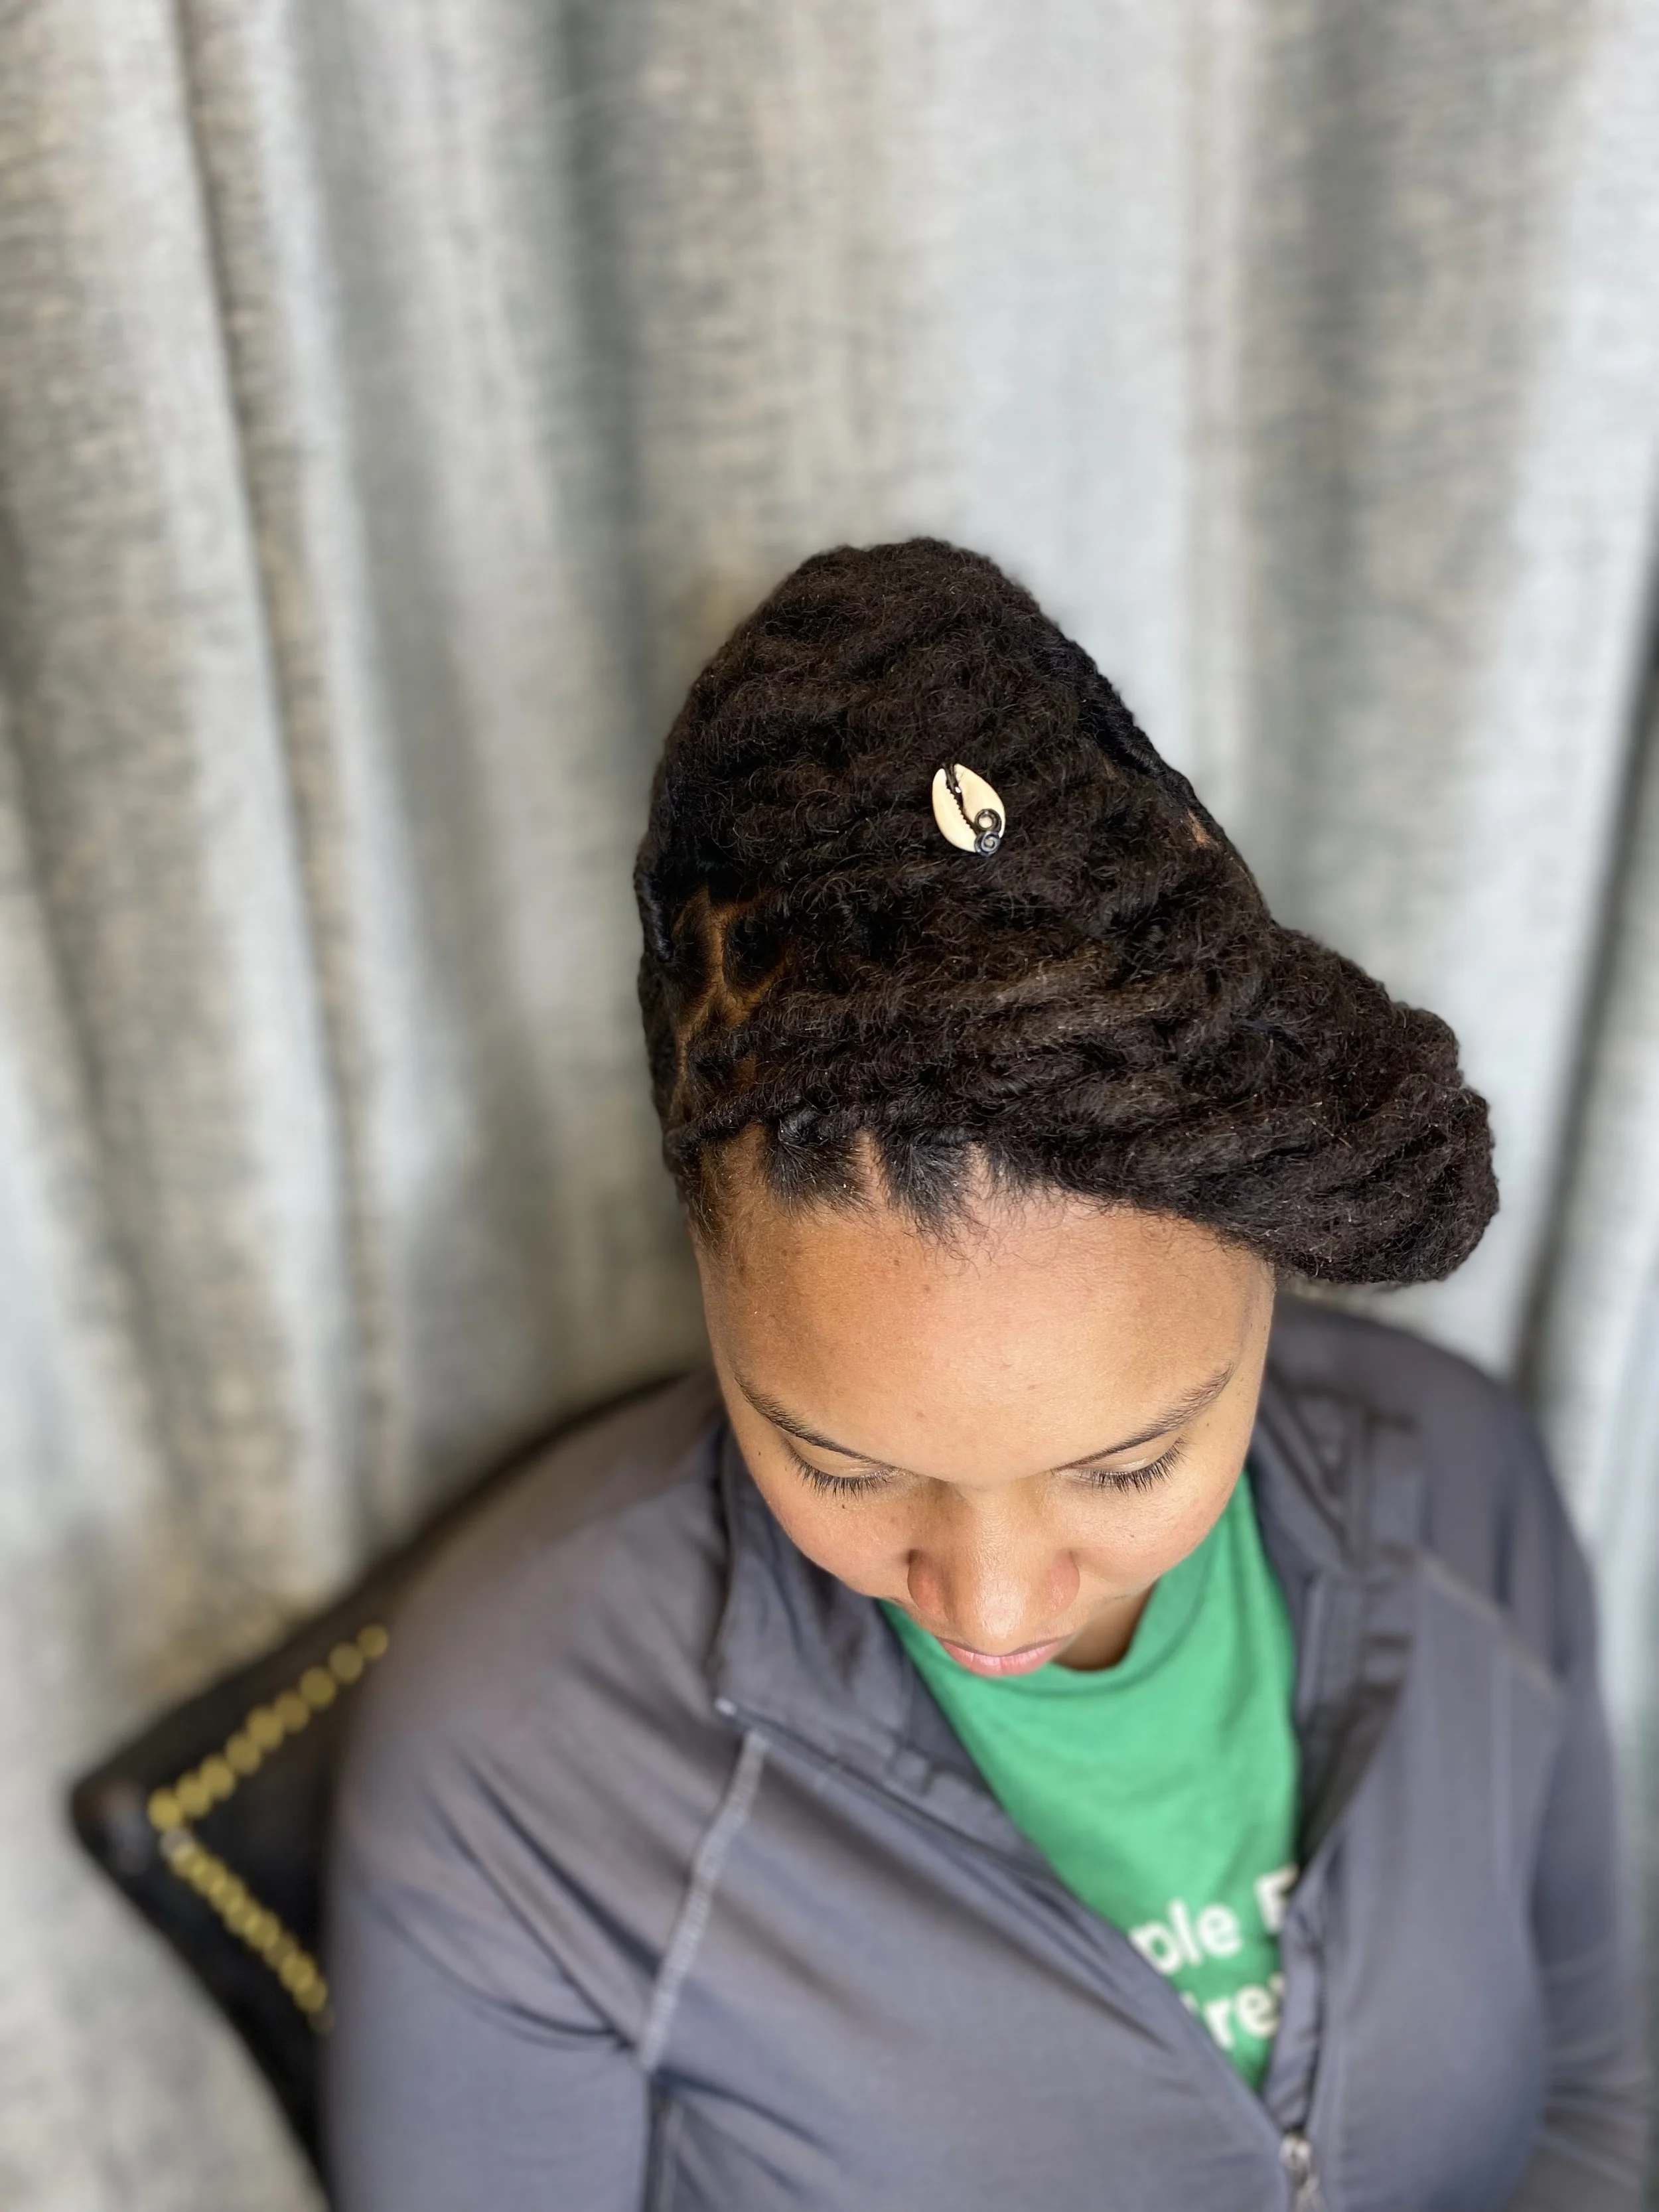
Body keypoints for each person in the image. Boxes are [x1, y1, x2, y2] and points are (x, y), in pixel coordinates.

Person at [326, 540, 1646, 2211]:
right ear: (705, 1279)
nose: (997, 1603)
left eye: (1127, 1463)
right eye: (843, 1464)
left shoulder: (1460, 1487)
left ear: (1264, 1267)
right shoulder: (514, 1756)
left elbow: (1596, 2097)